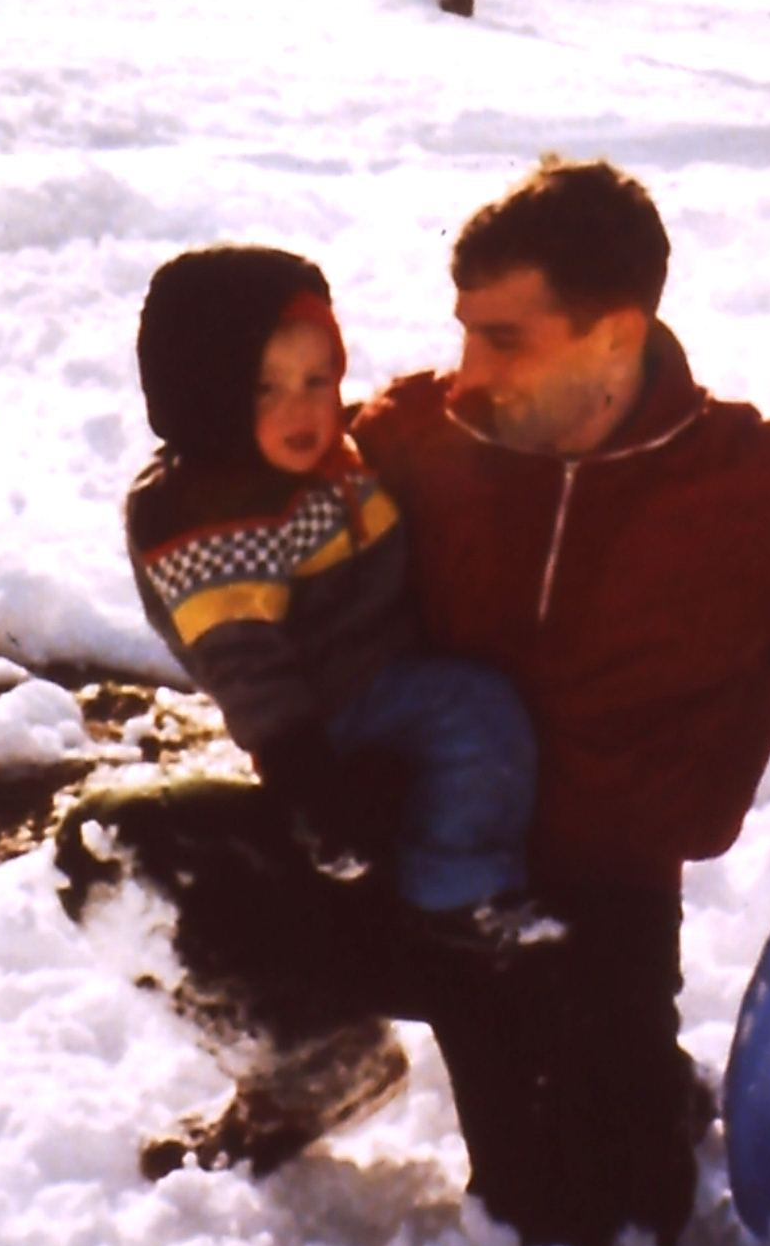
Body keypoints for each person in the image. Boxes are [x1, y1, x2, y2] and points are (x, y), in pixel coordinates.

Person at [63, 166, 770, 1246]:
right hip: (386, 842)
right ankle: (317, 1064)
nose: (466, 372)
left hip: (579, 918)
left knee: (590, 1237)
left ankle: (633, 1081)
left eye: (504, 340)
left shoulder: (747, 489)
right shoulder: (420, 437)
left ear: (614, 335)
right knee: (115, 851)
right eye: (464, 334)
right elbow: (245, 475)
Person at [118, 248, 546, 1175]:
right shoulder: (214, 523)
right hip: (339, 711)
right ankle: (454, 900)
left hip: (380, 672)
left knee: (480, 717)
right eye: (267, 388)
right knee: (475, 715)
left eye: (320, 379)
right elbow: (251, 670)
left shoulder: (306, 465)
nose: (306, 408)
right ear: (208, 398)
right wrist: (306, 774)